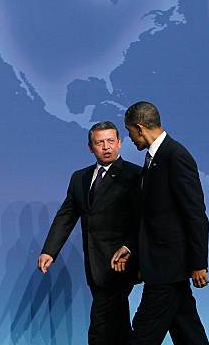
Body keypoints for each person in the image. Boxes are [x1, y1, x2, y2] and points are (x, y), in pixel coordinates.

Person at [111, 101, 209, 345]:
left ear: (140, 128)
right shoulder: (154, 158)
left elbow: (195, 213)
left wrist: (199, 263)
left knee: (143, 334)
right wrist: (131, 247)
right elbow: (153, 217)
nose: (131, 138)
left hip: (167, 267)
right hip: (164, 267)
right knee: (189, 334)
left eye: (130, 132)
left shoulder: (175, 156)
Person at [38, 121, 141, 345]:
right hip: (93, 261)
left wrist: (130, 247)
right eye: (100, 142)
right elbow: (66, 215)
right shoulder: (80, 178)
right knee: (118, 324)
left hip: (120, 263)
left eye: (111, 141)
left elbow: (144, 220)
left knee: (100, 325)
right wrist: (49, 251)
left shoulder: (135, 175)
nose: (106, 147)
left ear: (120, 143)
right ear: (90, 147)